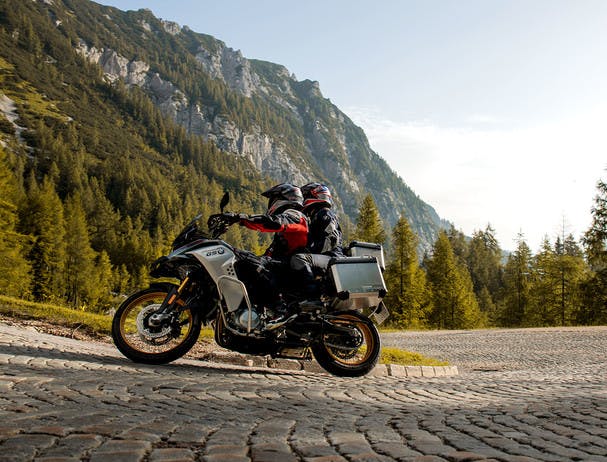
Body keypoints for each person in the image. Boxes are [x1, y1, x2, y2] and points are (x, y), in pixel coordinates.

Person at [290, 182, 343, 296]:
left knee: (299, 259)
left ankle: (312, 297)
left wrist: (310, 250)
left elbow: (332, 239)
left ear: (314, 196)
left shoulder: (324, 213)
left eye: (305, 196)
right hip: (326, 258)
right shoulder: (315, 215)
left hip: (332, 258)